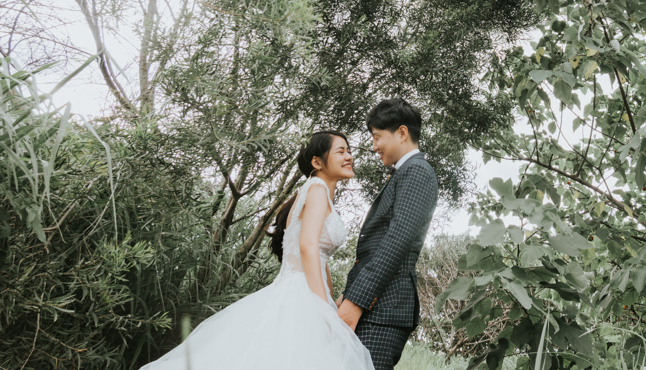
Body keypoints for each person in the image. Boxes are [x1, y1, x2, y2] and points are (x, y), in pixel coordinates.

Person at [141, 131, 374, 370]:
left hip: (304, 291)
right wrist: (322, 305)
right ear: (317, 162)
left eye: (349, 150)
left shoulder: (314, 192)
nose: (349, 156)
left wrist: (330, 303)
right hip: (303, 294)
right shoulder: (316, 188)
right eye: (341, 151)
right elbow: (307, 247)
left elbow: (319, 257)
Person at [337, 98, 439, 370]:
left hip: (383, 309)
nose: (374, 146)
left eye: (377, 137)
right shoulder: (405, 173)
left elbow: (397, 241)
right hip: (376, 306)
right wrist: (348, 295)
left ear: (402, 133)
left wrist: (356, 301)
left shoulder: (417, 172)